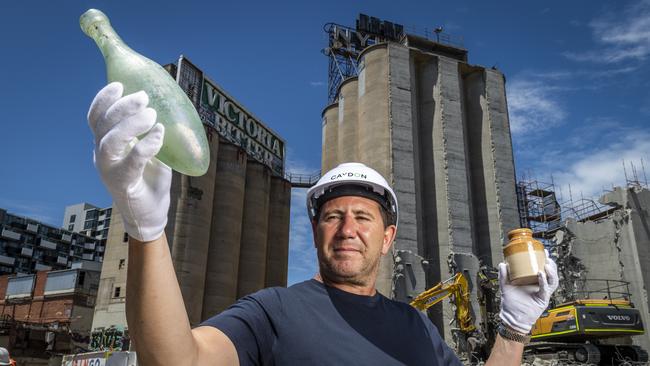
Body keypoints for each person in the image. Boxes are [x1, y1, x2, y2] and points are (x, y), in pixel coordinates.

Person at [87, 82, 559, 365]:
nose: (347, 228)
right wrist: (146, 230)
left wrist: (515, 329)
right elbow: (176, 360)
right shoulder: (272, 312)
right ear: (315, 230)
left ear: (388, 236)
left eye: (362, 217)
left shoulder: (416, 328)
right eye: (333, 216)